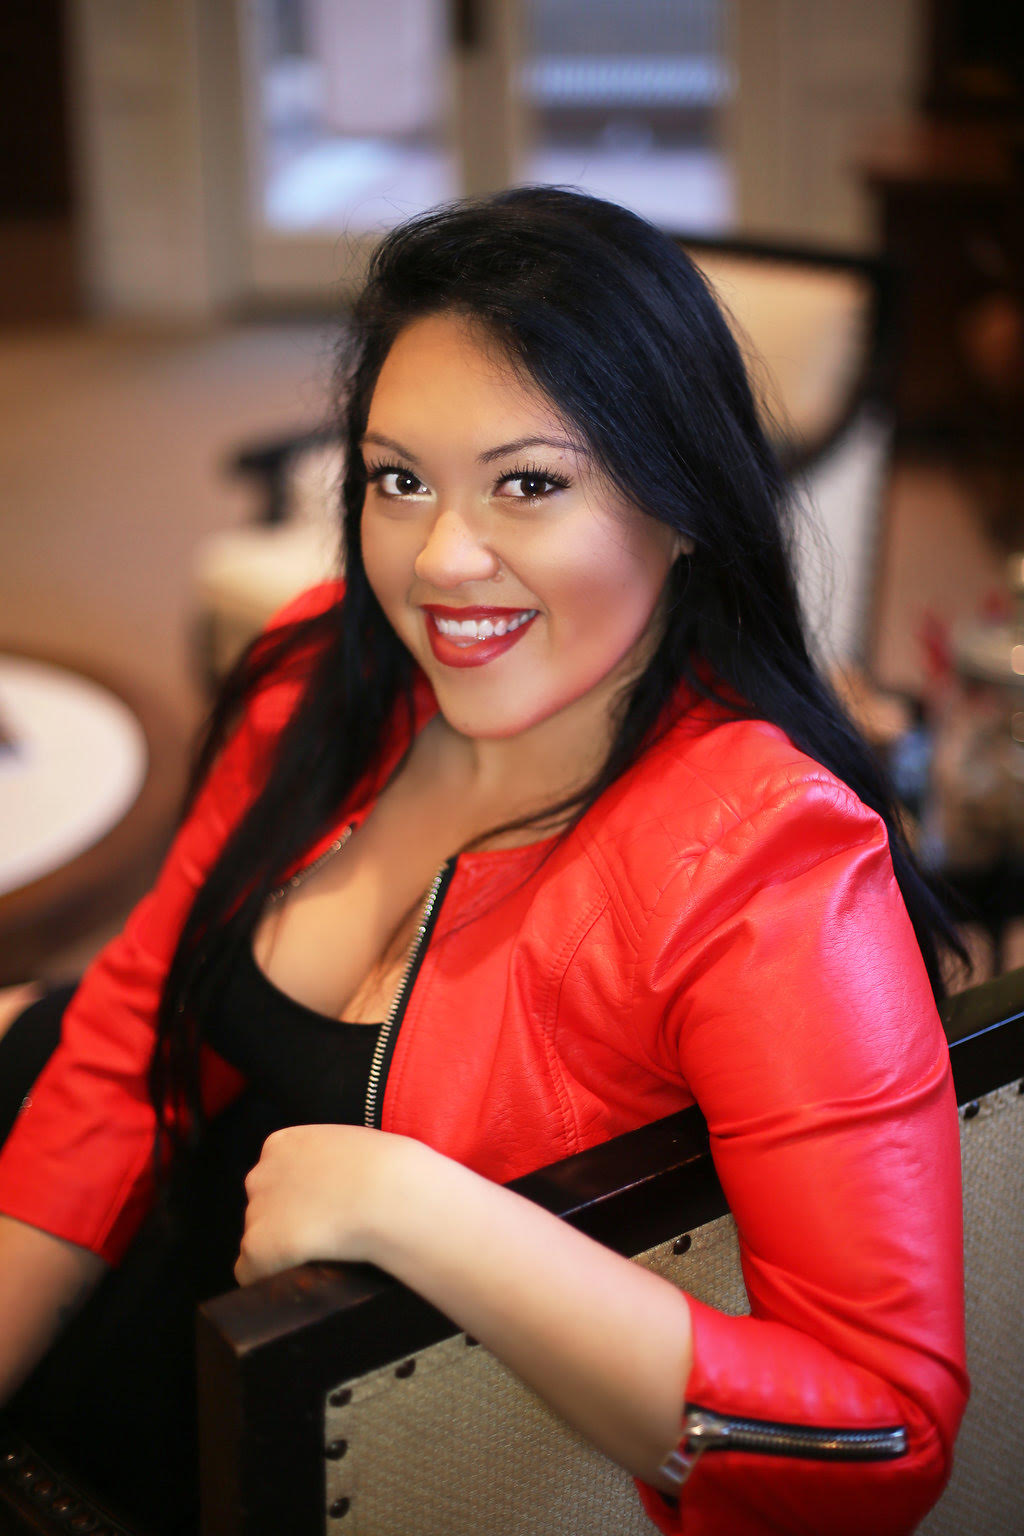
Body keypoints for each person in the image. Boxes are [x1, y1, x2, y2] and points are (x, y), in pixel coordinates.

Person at [0, 187, 968, 1536]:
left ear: (684, 503)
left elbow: (880, 1439)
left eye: (529, 483)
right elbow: (124, 1039)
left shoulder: (770, 868)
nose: (443, 562)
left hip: (322, 1416)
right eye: (399, 480)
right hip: (126, 1242)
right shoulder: (320, 672)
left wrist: (426, 1215)